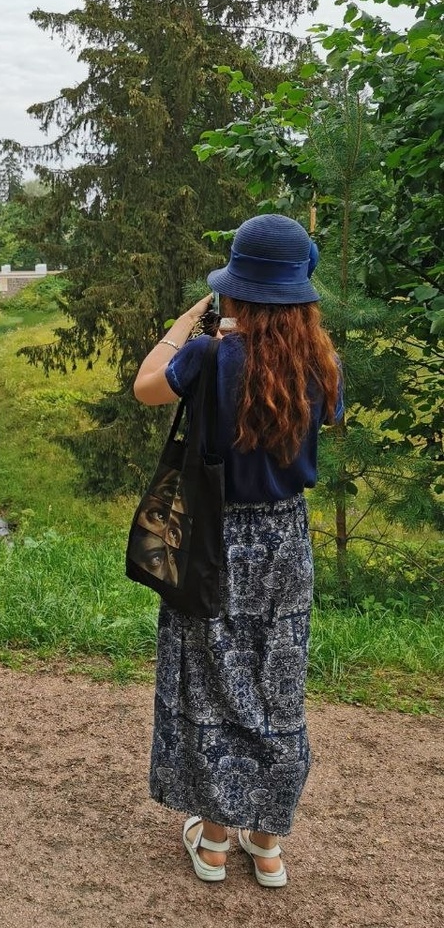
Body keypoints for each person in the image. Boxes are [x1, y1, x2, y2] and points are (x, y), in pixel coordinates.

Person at [133, 214, 342, 887]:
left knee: (216, 680)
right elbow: (323, 419)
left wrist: (186, 324)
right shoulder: (321, 364)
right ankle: (269, 842)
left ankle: (216, 840)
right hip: (285, 539)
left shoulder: (210, 357)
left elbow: (146, 384)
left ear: (236, 292)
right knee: (279, 684)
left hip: (216, 538)